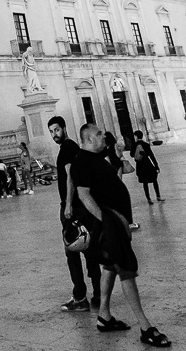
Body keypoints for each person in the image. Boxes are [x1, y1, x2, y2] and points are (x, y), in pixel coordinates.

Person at [73, 123, 171, 347]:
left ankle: (104, 316)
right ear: (88, 140)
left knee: (110, 266)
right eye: (98, 134)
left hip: (116, 222)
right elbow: (83, 195)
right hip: (110, 225)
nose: (103, 136)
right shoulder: (82, 161)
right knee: (126, 269)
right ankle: (145, 327)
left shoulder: (96, 158)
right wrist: (106, 221)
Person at [48, 115, 100, 312]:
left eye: (56, 130)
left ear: (64, 128)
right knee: (89, 249)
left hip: (73, 208)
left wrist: (68, 204)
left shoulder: (68, 149)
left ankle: (80, 297)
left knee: (72, 251)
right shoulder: (72, 148)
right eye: (51, 131)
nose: (54, 134)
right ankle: (98, 293)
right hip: (82, 206)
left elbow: (71, 176)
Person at [130, 131, 163, 204]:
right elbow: (151, 155)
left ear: (136, 136)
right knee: (154, 180)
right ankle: (158, 196)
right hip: (148, 164)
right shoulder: (146, 145)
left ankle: (148, 199)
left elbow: (132, 155)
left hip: (140, 165)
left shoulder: (134, 145)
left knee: (145, 183)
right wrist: (156, 166)